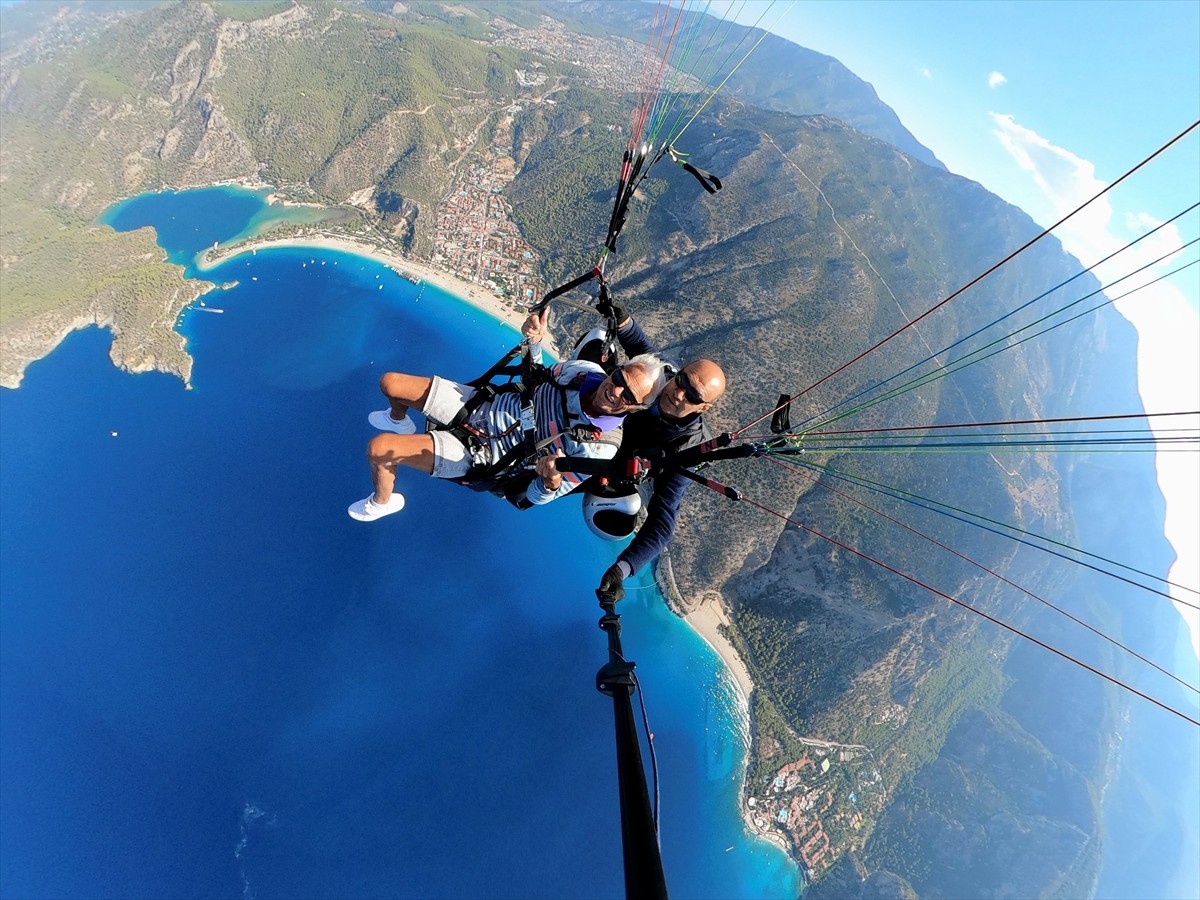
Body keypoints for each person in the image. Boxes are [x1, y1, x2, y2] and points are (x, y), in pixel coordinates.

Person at [522, 303, 727, 602]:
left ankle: (521, 479)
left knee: (536, 487)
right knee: (599, 341)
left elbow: (662, 522)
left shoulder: (688, 449)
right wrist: (624, 319)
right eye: (681, 381)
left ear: (703, 407)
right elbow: (642, 348)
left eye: (692, 396)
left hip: (604, 461)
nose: (678, 393)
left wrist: (623, 569)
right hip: (602, 416)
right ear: (679, 373)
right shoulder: (667, 376)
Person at [347, 334, 669, 521]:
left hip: (484, 454)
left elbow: (532, 498)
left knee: (379, 450)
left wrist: (549, 480)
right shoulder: (584, 372)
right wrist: (535, 342)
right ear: (617, 370)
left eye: (628, 395)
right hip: (481, 405)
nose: (615, 391)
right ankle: (398, 419)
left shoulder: (600, 448)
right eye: (620, 378)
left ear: (636, 407)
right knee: (389, 383)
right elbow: (540, 373)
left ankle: (383, 501)